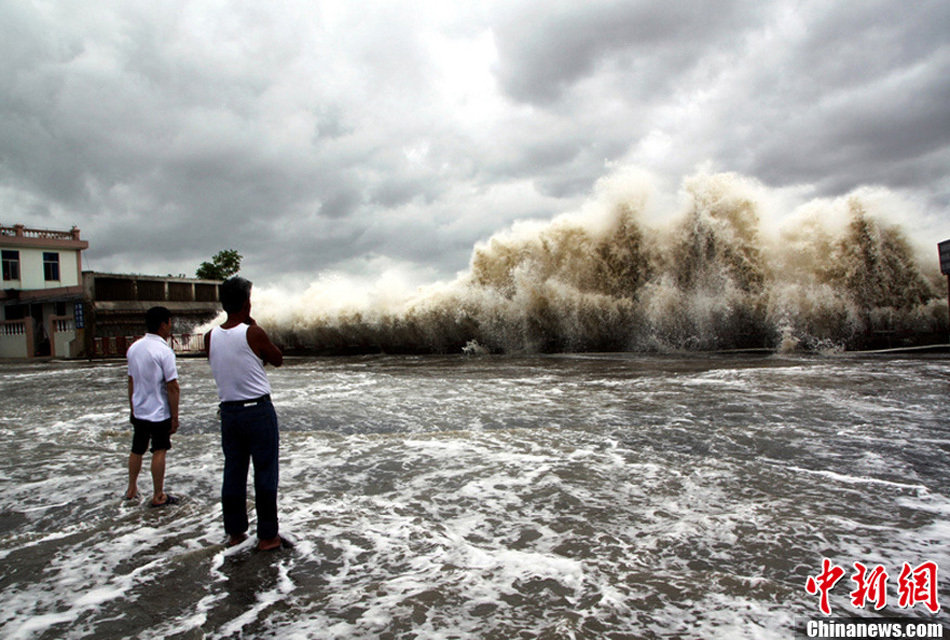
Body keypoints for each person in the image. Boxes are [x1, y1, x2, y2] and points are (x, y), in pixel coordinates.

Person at [205, 276, 285, 550]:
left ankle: (235, 532)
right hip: (257, 411)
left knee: (234, 472)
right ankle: (268, 536)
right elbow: (277, 359)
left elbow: (230, 361)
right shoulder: (254, 333)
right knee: (264, 472)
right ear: (246, 302)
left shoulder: (210, 336)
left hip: (229, 413)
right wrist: (256, 328)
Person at [126, 306, 180, 507]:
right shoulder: (164, 351)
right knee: (159, 450)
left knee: (137, 449)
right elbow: (172, 386)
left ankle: (131, 489)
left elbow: (131, 381)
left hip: (139, 409)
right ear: (163, 324)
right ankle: (158, 495)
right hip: (158, 412)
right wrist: (175, 417)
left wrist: (132, 406)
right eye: (169, 323)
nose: (170, 327)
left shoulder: (134, 348)